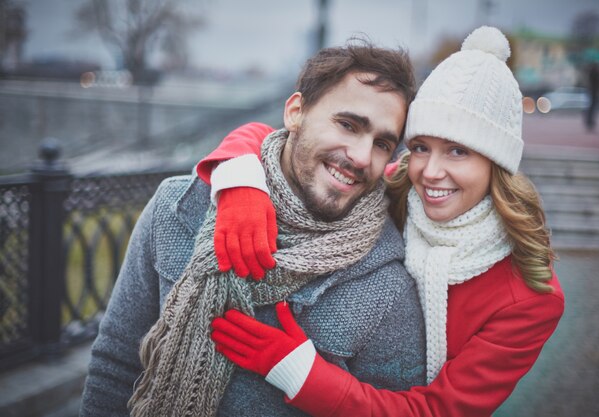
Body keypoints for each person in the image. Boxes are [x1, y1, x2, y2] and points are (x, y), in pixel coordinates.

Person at [208, 26, 565, 417]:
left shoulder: (530, 298)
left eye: (458, 151)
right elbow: (281, 141)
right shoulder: (399, 187)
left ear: (496, 164)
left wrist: (302, 374)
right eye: (420, 147)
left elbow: (438, 412)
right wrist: (241, 182)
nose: (430, 172)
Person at [80, 40, 428, 417]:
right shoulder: (178, 207)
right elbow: (115, 365)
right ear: (296, 112)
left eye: (381, 144)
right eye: (347, 124)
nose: (361, 157)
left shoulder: (388, 287)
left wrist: (313, 381)